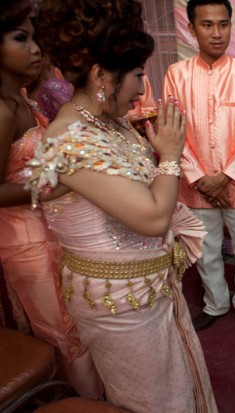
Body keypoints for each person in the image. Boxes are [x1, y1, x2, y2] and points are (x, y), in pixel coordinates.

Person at [30, 1, 218, 411]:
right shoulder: (70, 140)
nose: (141, 87)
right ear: (101, 76)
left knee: (175, 382)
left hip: (147, 286)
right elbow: (152, 216)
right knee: (151, 400)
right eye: (136, 75)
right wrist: (169, 153)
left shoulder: (104, 122)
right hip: (121, 305)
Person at [0, 0, 101, 398]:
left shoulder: (24, 100)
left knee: (74, 322)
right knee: (61, 331)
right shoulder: (3, 111)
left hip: (48, 230)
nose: (36, 49)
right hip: (25, 241)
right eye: (21, 38)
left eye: (35, 37)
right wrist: (55, 187)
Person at [163, 0, 235, 337]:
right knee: (205, 252)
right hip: (197, 186)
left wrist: (225, 178)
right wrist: (200, 179)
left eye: (223, 24)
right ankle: (215, 303)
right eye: (207, 25)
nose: (217, 32)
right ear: (191, 29)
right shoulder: (175, 75)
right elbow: (172, 132)